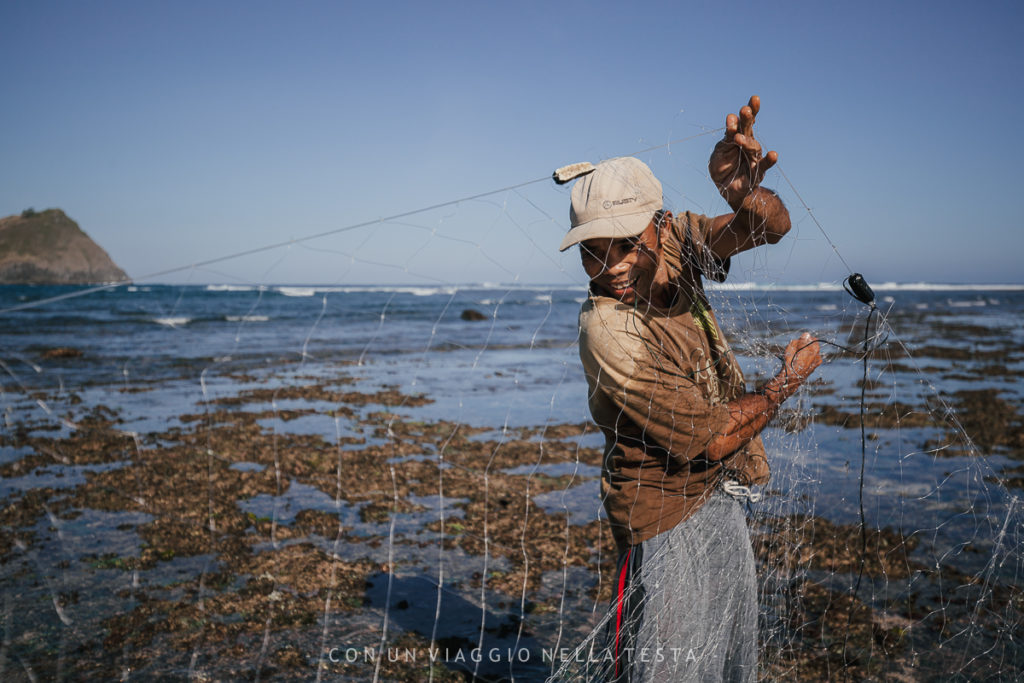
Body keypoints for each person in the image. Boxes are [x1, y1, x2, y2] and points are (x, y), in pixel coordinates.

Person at [558, 96, 822, 681]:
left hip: (718, 498)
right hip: (661, 520)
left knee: (729, 664)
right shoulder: (607, 330)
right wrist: (784, 383)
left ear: (658, 225)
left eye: (626, 244)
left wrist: (738, 190)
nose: (613, 267)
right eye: (592, 253)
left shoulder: (680, 241)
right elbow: (714, 438)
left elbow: (769, 226)